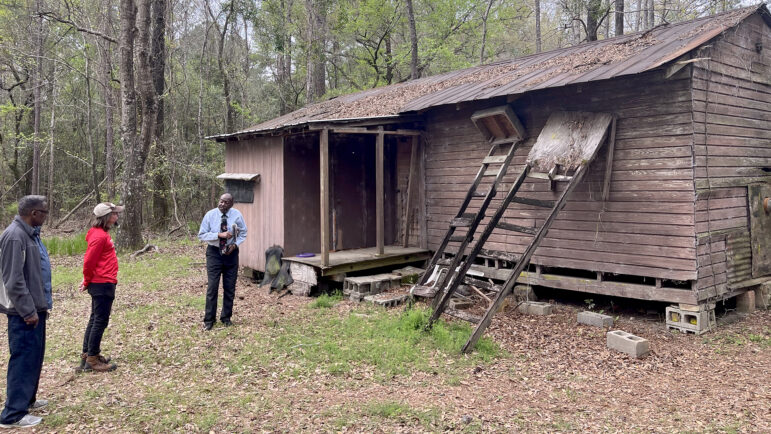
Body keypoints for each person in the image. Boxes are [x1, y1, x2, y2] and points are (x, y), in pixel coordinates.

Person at [0, 195, 52, 428]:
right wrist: (28, 310)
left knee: (33, 358)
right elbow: (13, 280)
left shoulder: (30, 234)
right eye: (44, 212)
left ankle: (26, 400)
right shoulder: (14, 237)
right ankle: (12, 415)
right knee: (22, 360)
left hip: (36, 308)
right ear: (33, 213)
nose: (45, 216)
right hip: (23, 312)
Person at [78, 202, 123, 373]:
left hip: (104, 282)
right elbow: (89, 262)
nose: (117, 217)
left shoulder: (101, 234)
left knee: (95, 318)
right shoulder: (99, 236)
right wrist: (87, 280)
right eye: (114, 214)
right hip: (102, 283)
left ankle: (88, 354)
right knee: (99, 321)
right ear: (106, 217)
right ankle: (92, 359)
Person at [197, 193, 247, 330]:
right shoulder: (210, 215)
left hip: (231, 254)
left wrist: (235, 245)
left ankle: (226, 318)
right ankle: (209, 320)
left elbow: (243, 233)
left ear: (231, 204)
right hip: (214, 253)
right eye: (221, 201)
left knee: (229, 287)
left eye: (226, 202)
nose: (222, 204)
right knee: (212, 287)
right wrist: (219, 235)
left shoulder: (237, 215)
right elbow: (201, 234)